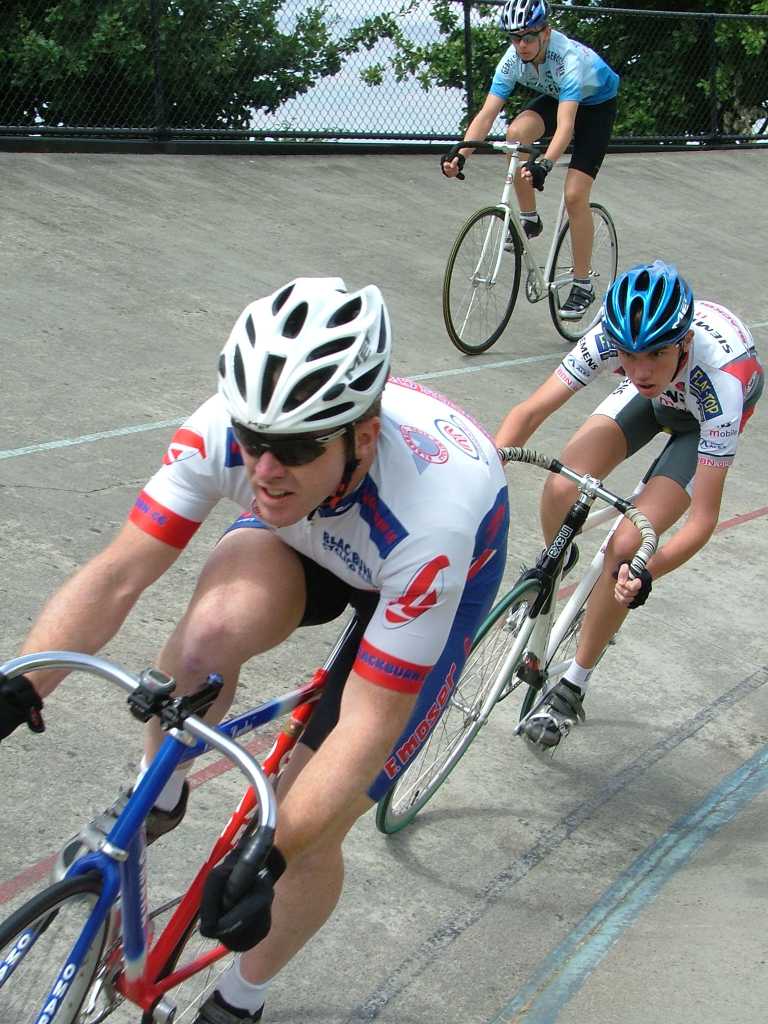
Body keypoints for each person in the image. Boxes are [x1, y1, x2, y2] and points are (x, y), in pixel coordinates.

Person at [0, 277, 510, 1023]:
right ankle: (159, 790)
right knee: (206, 636)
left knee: (309, 826)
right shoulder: (230, 434)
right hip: (312, 528)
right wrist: (22, 682)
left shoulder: (432, 522)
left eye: (295, 447)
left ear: (364, 436)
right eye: (253, 440)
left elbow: (370, 723)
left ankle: (241, 999)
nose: (265, 468)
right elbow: (117, 575)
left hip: (416, 563)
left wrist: (269, 854)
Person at [495, 260, 763, 749]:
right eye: (629, 355)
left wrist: (645, 571)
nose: (639, 369)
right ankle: (560, 558)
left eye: (655, 354)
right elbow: (530, 411)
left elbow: (703, 519)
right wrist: (489, 467)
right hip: (662, 397)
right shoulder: (612, 338)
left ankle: (575, 682)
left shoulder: (722, 387)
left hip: (703, 415)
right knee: (561, 487)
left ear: (683, 342)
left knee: (626, 548)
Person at [441, 0, 619, 321]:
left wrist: (545, 164)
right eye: (514, 38)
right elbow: (487, 114)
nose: (521, 45)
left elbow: (566, 126)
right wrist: (460, 155)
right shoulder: (512, 60)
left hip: (596, 107)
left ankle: (582, 284)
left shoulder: (567, 60)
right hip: (558, 98)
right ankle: (530, 219)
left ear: (545, 32)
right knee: (516, 134)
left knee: (574, 195)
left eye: (528, 37)